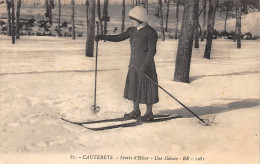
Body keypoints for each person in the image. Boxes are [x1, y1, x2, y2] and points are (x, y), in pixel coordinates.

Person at [95, 6, 159, 121]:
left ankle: (149, 112)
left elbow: (152, 52)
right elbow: (119, 37)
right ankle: (136, 110)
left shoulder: (151, 33)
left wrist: (145, 66)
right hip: (134, 66)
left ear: (140, 19)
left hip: (146, 67)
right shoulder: (132, 30)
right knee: (134, 87)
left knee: (148, 89)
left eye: (133, 19)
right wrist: (103, 37)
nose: (132, 21)